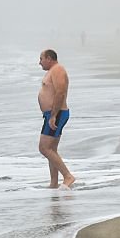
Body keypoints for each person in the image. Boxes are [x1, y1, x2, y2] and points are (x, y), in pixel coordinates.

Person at [37, 49, 75, 189]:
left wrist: (53, 115)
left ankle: (68, 176)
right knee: (51, 149)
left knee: (44, 148)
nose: (39, 62)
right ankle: (54, 182)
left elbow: (60, 92)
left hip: (57, 114)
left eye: (41, 59)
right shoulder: (52, 71)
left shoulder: (58, 70)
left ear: (49, 58)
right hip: (53, 114)